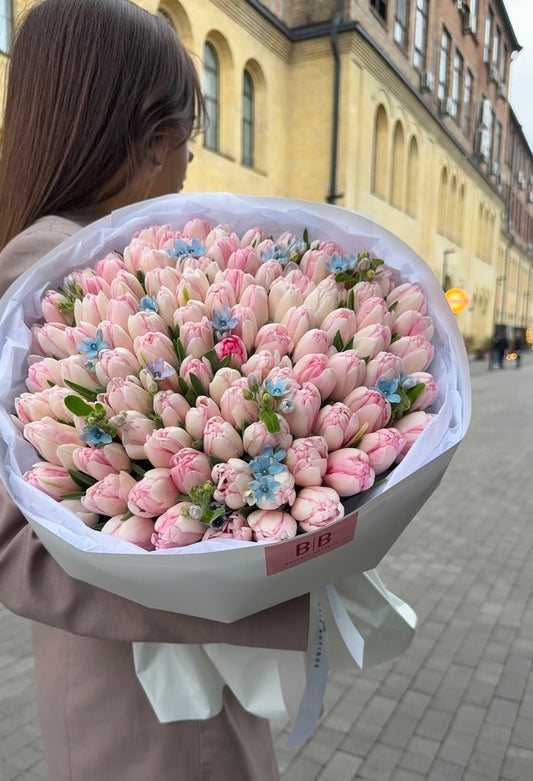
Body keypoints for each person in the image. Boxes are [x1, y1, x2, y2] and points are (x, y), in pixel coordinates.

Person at [0, 2, 310, 779]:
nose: (187, 172)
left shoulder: (113, 255)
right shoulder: (47, 272)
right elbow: (14, 545)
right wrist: (259, 580)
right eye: (187, 145)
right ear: (149, 139)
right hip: (139, 690)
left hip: (170, 670)